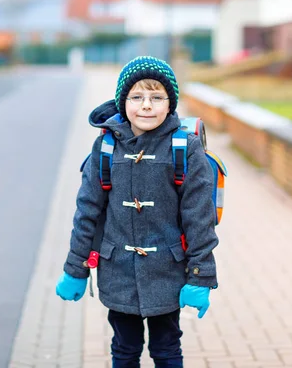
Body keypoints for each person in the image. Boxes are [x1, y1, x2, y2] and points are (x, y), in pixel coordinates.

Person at [56, 56, 219, 367]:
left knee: (167, 348)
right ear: (123, 101)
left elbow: (200, 218)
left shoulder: (185, 147)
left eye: (157, 97)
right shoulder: (105, 147)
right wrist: (75, 268)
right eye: (137, 97)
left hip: (168, 271)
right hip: (117, 270)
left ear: (170, 103)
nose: (147, 105)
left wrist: (200, 276)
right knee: (124, 348)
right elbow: (87, 212)